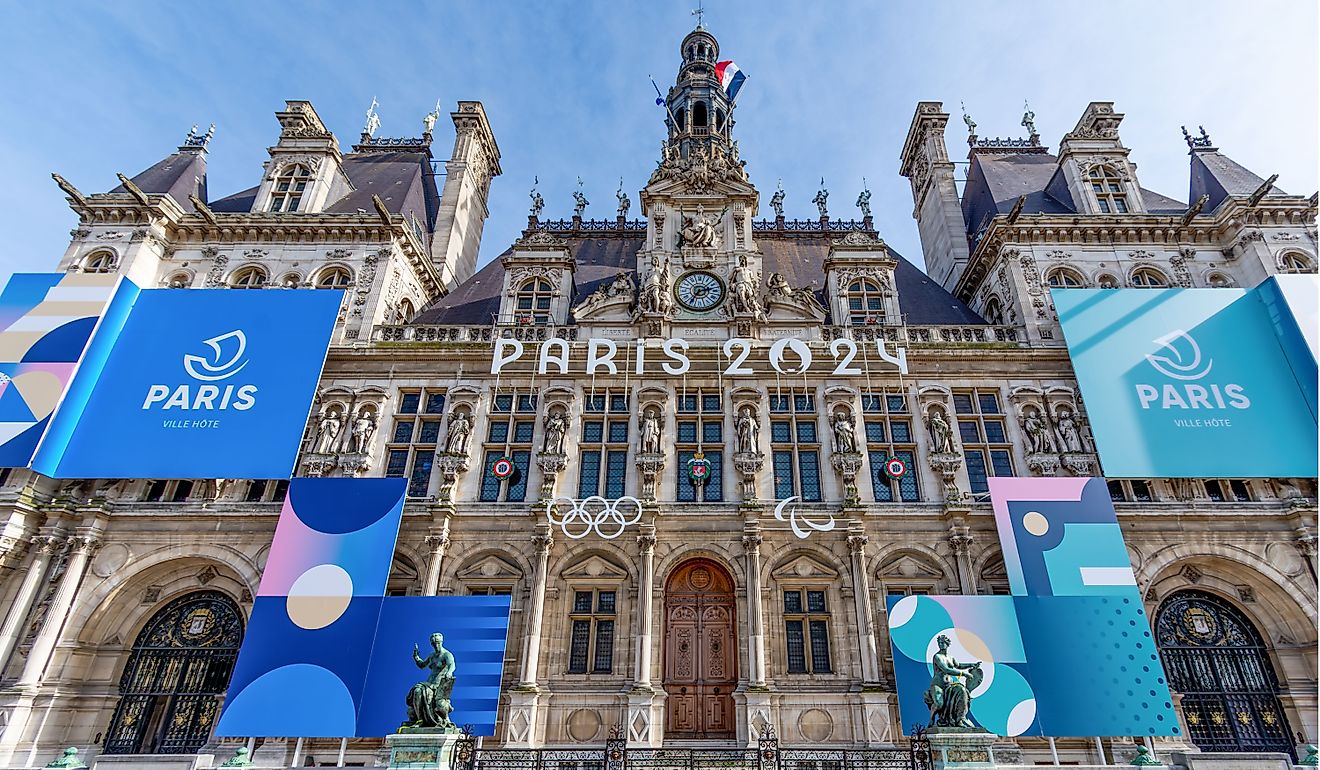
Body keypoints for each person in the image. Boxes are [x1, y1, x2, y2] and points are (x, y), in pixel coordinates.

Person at [923, 634, 982, 728]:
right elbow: (946, 669)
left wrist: (972, 665)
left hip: (950, 685)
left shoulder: (950, 657)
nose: (941, 645)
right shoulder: (937, 657)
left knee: (962, 691)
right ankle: (932, 718)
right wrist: (964, 674)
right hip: (938, 685)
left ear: (947, 644)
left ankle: (960, 719)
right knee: (939, 704)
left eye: (943, 643)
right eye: (939, 643)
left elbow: (958, 665)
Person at [404, 632, 458, 730]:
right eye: (433, 643)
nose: (436, 645)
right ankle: (420, 720)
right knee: (417, 691)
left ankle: (443, 719)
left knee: (436, 701)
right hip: (430, 682)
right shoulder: (432, 656)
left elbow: (452, 665)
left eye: (437, 642)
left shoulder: (447, 654)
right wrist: (416, 657)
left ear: (441, 642)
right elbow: (422, 665)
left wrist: (449, 672)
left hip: (439, 684)